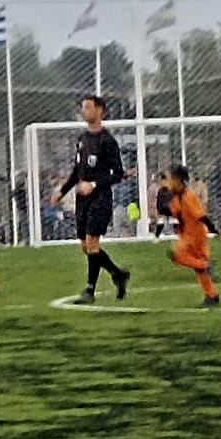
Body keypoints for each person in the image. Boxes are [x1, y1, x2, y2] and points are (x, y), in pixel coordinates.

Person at [49, 94, 131, 305]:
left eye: (88, 107)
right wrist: (62, 190)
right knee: (86, 247)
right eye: (82, 108)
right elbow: (77, 171)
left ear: (100, 111)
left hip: (100, 197)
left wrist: (94, 185)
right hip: (82, 199)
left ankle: (89, 290)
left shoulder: (107, 141)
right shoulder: (82, 139)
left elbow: (118, 173)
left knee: (93, 244)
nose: (83, 111)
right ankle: (118, 274)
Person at [167, 167, 219, 308]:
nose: (169, 182)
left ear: (178, 180)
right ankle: (212, 295)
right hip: (187, 235)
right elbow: (177, 214)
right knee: (197, 267)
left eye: (171, 179)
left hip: (196, 236)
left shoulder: (189, 196)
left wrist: (214, 229)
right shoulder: (177, 197)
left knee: (176, 255)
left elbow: (201, 216)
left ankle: (206, 265)